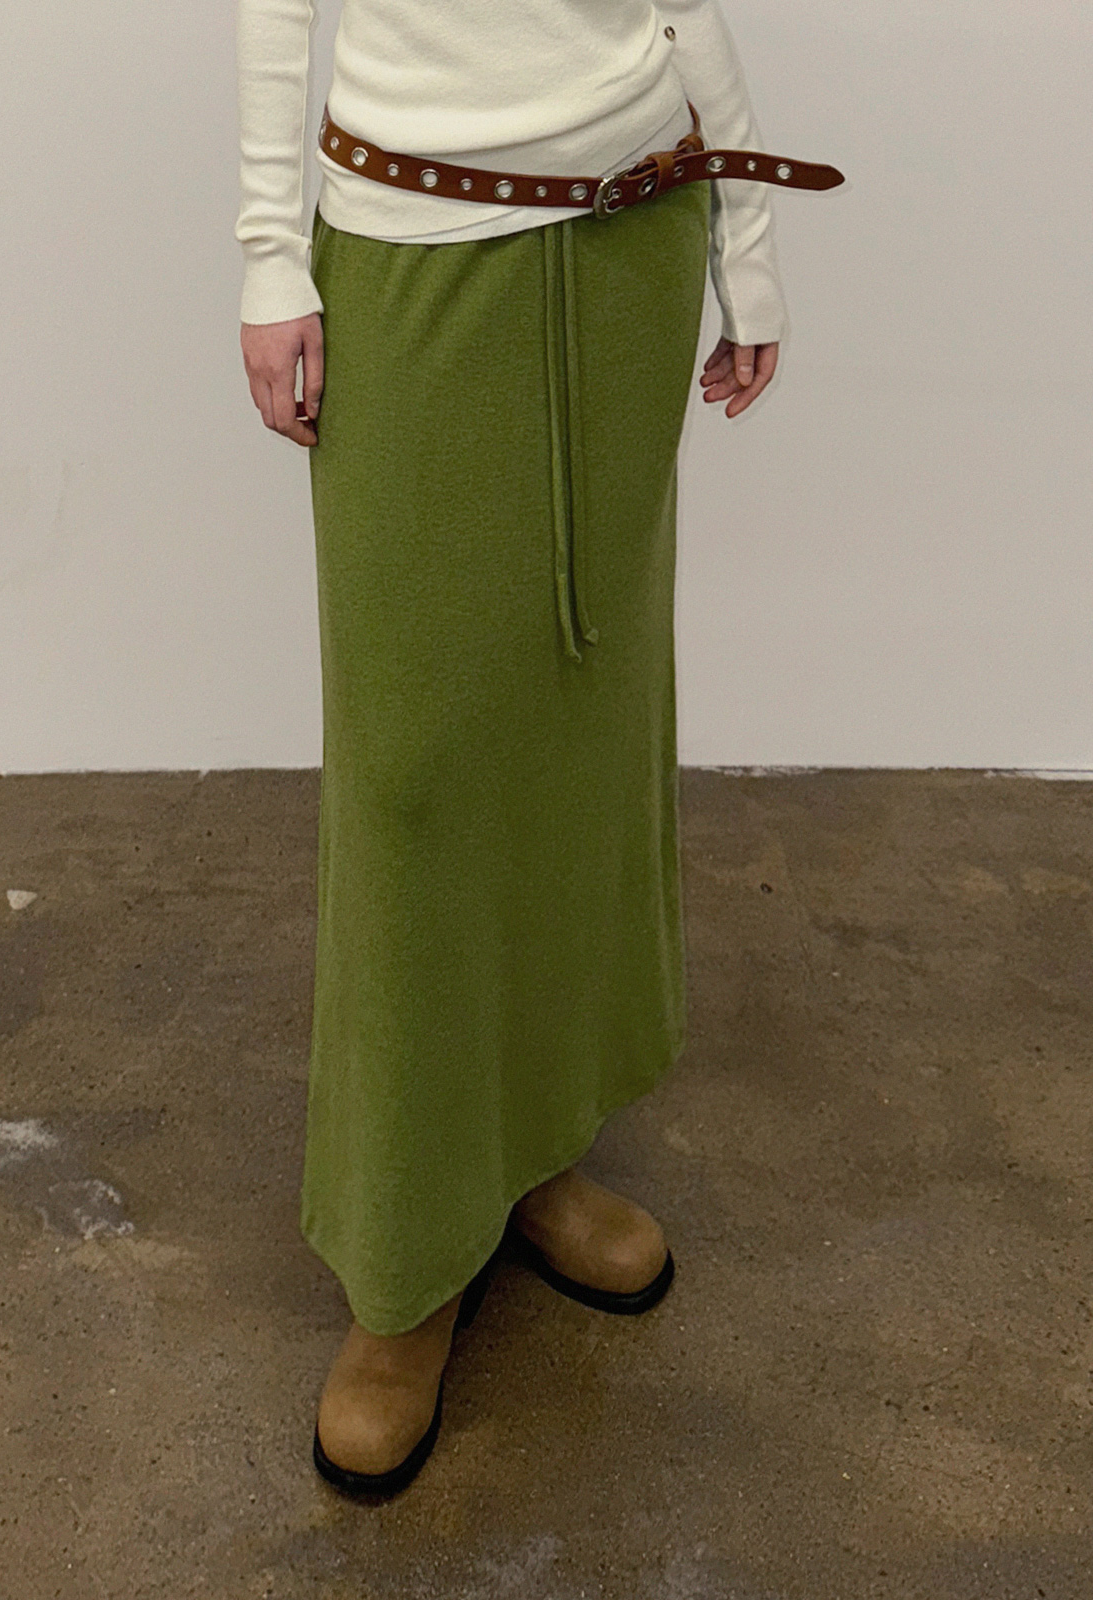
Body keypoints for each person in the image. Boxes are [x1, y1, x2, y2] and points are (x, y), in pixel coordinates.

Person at [236, 0, 805, 1498]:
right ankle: (404, 1263)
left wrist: (746, 242)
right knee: (414, 773)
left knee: (577, 734)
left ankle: (534, 1149)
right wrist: (270, 253)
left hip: (631, 238)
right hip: (412, 247)